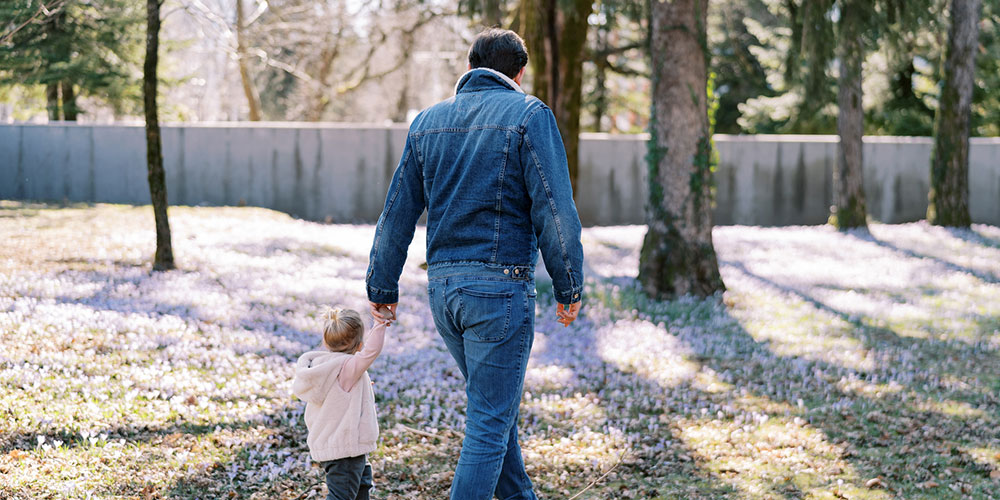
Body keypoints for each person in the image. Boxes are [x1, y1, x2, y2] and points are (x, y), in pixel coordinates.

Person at [365, 28, 585, 500]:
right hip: (498, 292)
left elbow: (397, 212)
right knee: (488, 422)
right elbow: (555, 207)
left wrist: (381, 287)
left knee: (493, 411)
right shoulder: (530, 116)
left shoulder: (427, 122)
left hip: (444, 294)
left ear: (469, 68)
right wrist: (568, 287)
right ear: (519, 73)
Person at [292, 308, 390, 500]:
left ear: (326, 342)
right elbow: (373, 351)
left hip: (341, 447)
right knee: (342, 496)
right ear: (359, 345)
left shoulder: (322, 368)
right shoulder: (346, 368)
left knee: (361, 488)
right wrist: (380, 324)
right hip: (346, 449)